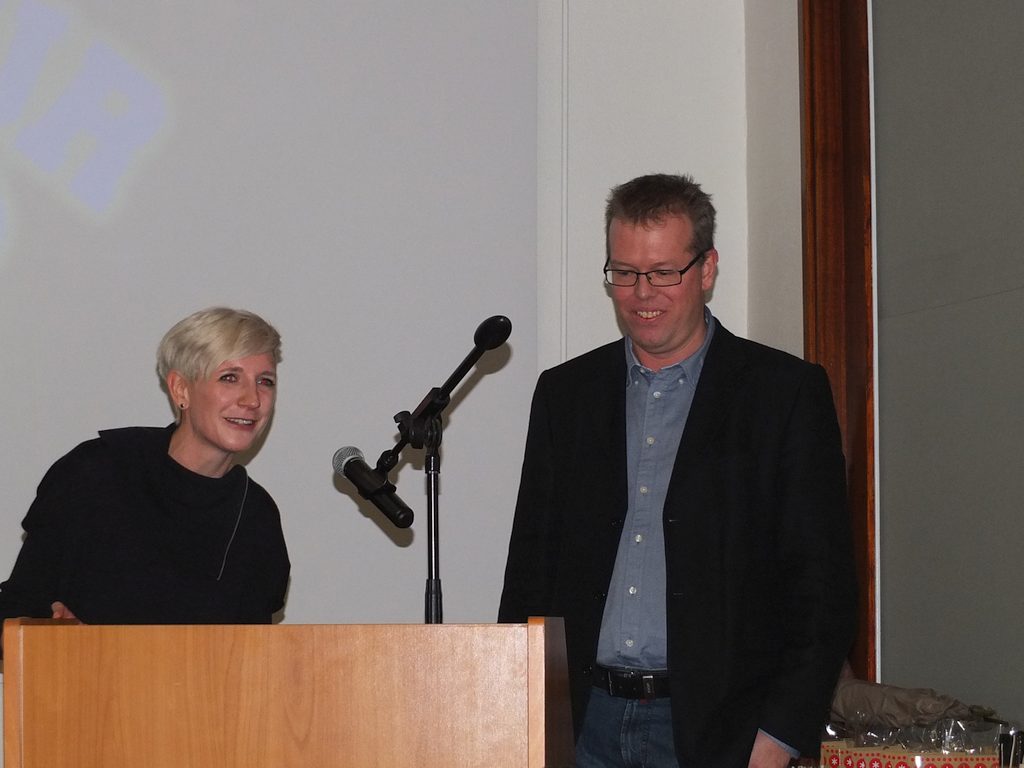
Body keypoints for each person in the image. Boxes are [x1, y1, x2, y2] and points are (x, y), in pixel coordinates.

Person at [498, 174, 857, 768]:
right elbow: (529, 571)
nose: (642, 293)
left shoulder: (783, 394)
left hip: (722, 732)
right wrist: (519, 713)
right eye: (624, 272)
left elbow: (823, 587)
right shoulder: (566, 395)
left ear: (707, 269)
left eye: (663, 272)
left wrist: (780, 736)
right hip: (581, 724)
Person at [0, 306, 290, 653]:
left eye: (265, 381)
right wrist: (50, 636)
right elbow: (16, 608)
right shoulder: (97, 472)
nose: (252, 399)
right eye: (230, 377)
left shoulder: (257, 515)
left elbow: (253, 660)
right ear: (180, 389)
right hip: (82, 686)